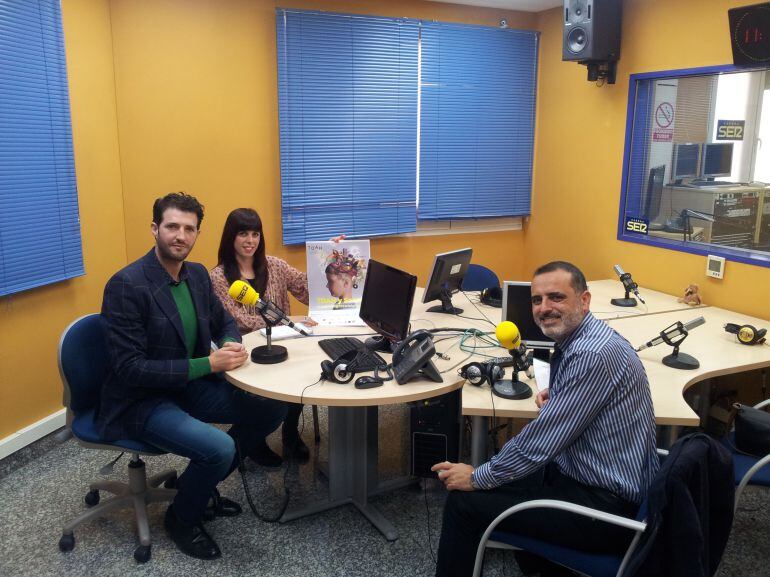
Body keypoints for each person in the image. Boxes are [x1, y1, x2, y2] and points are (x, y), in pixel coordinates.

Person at [431, 261, 659, 577]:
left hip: (606, 511)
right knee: (502, 470)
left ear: (584, 300)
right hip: (598, 480)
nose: (543, 308)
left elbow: (539, 444)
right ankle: (541, 564)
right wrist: (563, 394)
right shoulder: (592, 338)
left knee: (465, 501)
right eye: (537, 300)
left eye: (556, 297)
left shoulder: (591, 355)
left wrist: (477, 477)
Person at [98, 193, 287, 560]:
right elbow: (130, 368)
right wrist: (209, 365)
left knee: (272, 408)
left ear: (198, 233)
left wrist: (230, 344)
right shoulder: (126, 285)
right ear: (155, 229)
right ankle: (181, 519)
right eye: (172, 226)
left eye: (189, 228)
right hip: (143, 398)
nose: (180, 235)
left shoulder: (198, 275)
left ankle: (191, 488)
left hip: (189, 385)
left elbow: (223, 321)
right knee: (220, 449)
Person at [209, 208, 341, 464]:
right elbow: (237, 319)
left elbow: (307, 289)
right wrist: (288, 322)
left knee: (304, 375)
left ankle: (290, 433)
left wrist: (329, 258)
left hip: (282, 346)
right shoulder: (218, 277)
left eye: (255, 233)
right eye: (243, 234)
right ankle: (255, 442)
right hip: (245, 354)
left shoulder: (275, 266)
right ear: (230, 238)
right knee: (266, 392)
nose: (250, 240)